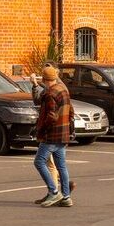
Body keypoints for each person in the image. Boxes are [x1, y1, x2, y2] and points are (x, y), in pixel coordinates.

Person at [29, 67, 77, 204]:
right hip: (63, 133)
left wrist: (42, 129)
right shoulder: (63, 90)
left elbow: (51, 116)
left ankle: (53, 192)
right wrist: (69, 126)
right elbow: (71, 110)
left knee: (39, 162)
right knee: (61, 166)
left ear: (44, 79)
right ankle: (66, 197)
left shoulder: (51, 94)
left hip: (52, 135)